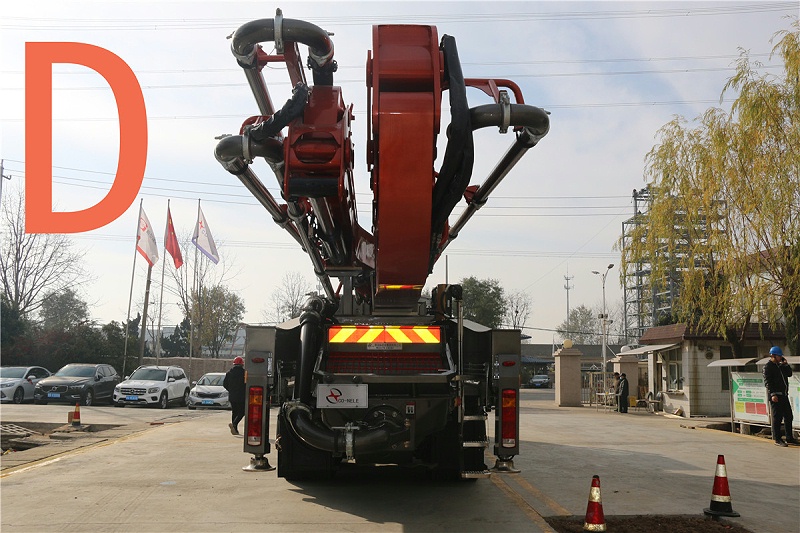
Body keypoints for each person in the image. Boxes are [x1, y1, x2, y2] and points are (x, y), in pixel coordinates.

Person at [763, 346, 796, 447]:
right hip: (776, 395)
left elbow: (789, 374)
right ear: (773, 355)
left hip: (784, 395)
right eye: (779, 356)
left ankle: (789, 437)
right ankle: (777, 439)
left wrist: (785, 365)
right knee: (777, 418)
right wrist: (772, 394)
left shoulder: (780, 366)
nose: (780, 358)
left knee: (789, 416)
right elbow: (768, 382)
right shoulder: (768, 367)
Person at [223, 356, 246, 436]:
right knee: (242, 411)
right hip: (242, 396)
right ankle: (234, 424)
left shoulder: (229, 373)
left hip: (232, 396)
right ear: (242, 364)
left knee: (235, 412)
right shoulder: (245, 373)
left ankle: (235, 429)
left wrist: (231, 390)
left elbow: (224, 384)